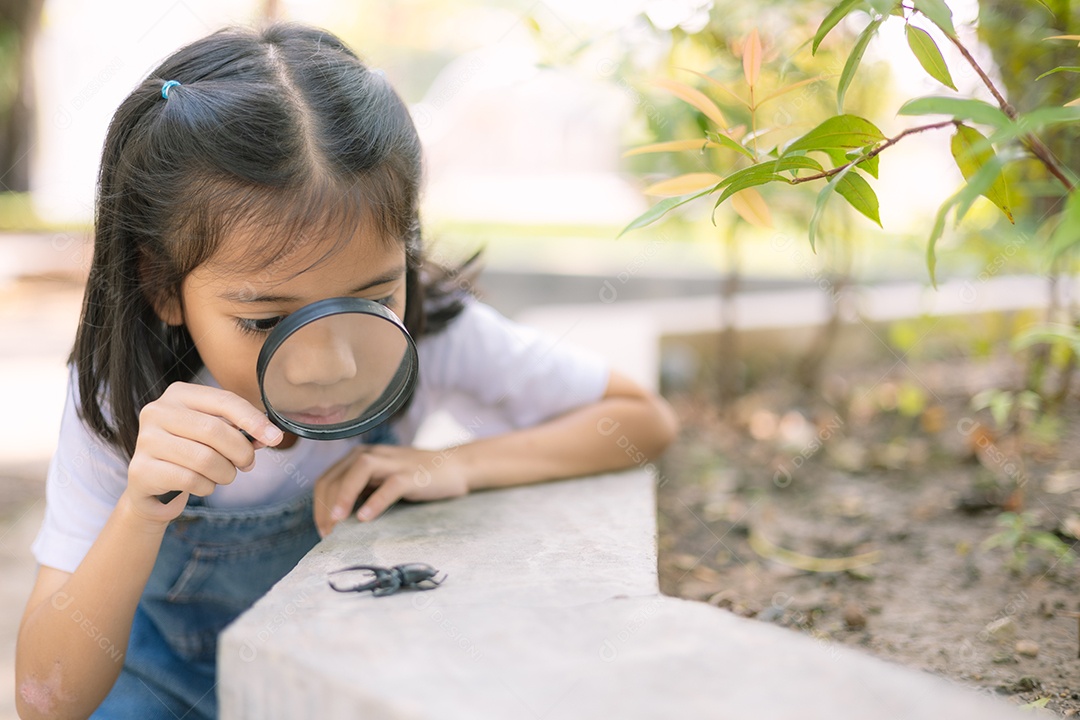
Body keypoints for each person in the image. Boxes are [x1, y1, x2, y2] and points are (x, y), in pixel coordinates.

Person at [15, 22, 678, 720]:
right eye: (267, 321)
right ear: (162, 287)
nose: (330, 362)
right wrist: (139, 509)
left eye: (372, 299)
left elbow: (641, 420)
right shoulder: (122, 400)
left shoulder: (434, 332)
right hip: (165, 692)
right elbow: (45, 700)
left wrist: (457, 464)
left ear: (408, 254)